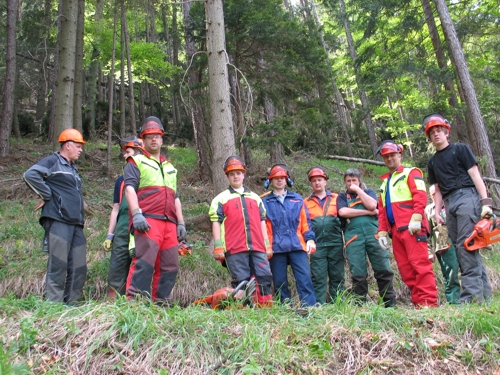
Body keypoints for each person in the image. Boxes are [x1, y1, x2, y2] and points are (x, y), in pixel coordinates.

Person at [424, 113, 492, 303]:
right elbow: (436, 190)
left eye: (439, 131)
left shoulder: (460, 149)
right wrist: (437, 212)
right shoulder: (432, 162)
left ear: (446, 133)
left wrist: (485, 202)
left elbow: (475, 175)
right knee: (463, 246)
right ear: (429, 137)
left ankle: (470, 297)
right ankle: (484, 297)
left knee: (465, 244)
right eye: (432, 132)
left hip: (467, 196)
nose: (436, 134)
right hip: (449, 202)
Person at [123, 116, 186, 304]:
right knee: (144, 262)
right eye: (149, 136)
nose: (153, 139)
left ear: (162, 139)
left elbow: (175, 197)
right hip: (148, 220)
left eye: (157, 136)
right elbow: (129, 189)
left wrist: (181, 222)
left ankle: (161, 303)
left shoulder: (170, 167)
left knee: (170, 265)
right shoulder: (136, 161)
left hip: (169, 223)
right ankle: (134, 303)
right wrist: (136, 214)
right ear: (143, 139)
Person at [23, 128, 87, 304]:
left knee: (79, 265)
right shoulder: (53, 161)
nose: (81, 150)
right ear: (68, 145)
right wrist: (47, 195)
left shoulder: (73, 169)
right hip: (58, 220)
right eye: (78, 146)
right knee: (58, 264)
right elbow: (30, 175)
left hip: (76, 223)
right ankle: (54, 306)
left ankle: (73, 304)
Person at [377, 140, 438, 308]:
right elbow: (382, 210)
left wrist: (417, 217)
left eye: (392, 155)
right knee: (406, 270)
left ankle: (428, 303)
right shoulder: (385, 183)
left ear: (399, 155)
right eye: (386, 157)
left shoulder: (411, 173)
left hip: (413, 228)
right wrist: (382, 232)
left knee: (420, 265)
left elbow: (420, 196)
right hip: (396, 231)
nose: (389, 159)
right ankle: (419, 303)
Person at [208, 155, 274, 307]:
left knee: (264, 277)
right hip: (234, 247)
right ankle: (242, 312)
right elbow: (215, 222)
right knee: (241, 280)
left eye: (238, 173)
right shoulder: (220, 199)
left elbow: (262, 221)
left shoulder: (255, 198)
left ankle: (265, 310)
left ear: (244, 174)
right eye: (232, 174)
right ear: (227, 176)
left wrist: (267, 244)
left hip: (258, 247)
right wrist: (218, 246)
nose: (235, 176)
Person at [337, 168, 396, 307]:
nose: (351, 183)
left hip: (373, 235)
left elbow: (372, 205)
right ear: (344, 182)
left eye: (354, 181)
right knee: (358, 272)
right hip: (353, 237)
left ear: (359, 181)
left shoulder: (368, 192)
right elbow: (343, 211)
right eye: (348, 181)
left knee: (383, 268)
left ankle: (389, 304)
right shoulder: (342, 197)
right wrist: (368, 212)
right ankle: (360, 305)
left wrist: (358, 191)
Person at [262, 164, 317, 307]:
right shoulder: (264, 202)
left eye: (282, 178)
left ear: (287, 180)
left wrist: (310, 239)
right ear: (270, 181)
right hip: (275, 247)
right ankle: (284, 308)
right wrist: (266, 245)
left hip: (297, 244)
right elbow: (262, 228)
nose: (279, 181)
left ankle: (309, 307)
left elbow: (305, 222)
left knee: (304, 278)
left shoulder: (297, 199)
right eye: (276, 178)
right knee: (279, 281)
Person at [103, 136, 145, 298]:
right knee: (117, 268)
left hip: (141, 229)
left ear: (139, 153)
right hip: (121, 231)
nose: (124, 155)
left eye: (127, 152)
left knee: (139, 269)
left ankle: (136, 305)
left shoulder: (148, 177)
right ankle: (112, 304)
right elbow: (115, 209)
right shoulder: (121, 181)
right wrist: (109, 235)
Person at [304, 167, 345, 304]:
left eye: (319, 180)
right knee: (318, 276)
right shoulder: (306, 202)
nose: (317, 183)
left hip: (336, 243)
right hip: (317, 245)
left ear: (325, 181)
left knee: (337, 276)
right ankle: (319, 306)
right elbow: (304, 223)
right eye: (314, 181)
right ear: (311, 183)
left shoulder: (337, 198)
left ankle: (338, 305)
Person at [424, 184, 461, 304]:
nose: (436, 196)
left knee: (466, 270)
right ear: (430, 196)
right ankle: (454, 301)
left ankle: (471, 299)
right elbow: (426, 234)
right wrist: (429, 252)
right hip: (443, 245)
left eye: (437, 193)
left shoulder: (452, 204)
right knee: (450, 274)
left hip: (459, 241)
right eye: (433, 194)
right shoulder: (429, 210)